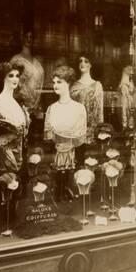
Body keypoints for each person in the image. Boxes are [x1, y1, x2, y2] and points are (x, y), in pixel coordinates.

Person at [44, 66, 87, 201]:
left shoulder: (79, 108)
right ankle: (59, 191)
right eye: (54, 82)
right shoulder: (51, 108)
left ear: (68, 83)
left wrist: (66, 136)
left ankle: (67, 191)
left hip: (72, 155)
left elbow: (80, 136)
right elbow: (49, 136)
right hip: (56, 155)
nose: (55, 85)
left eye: (59, 82)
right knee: (58, 179)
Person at [0, 62, 29, 173]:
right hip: (4, 152)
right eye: (11, 75)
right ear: (3, 78)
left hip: (20, 153)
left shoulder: (18, 104)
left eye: (17, 76)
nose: (15, 79)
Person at [70, 53, 104, 145]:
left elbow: (100, 110)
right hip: (76, 128)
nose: (82, 63)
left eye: (86, 61)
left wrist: (100, 130)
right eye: (80, 61)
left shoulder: (97, 85)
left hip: (92, 129)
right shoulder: (73, 86)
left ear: (91, 64)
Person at [10, 30, 44, 112]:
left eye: (31, 37)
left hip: (36, 106)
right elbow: (12, 84)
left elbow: (40, 83)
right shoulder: (16, 60)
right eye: (26, 37)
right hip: (21, 105)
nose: (29, 39)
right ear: (22, 38)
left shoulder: (37, 62)